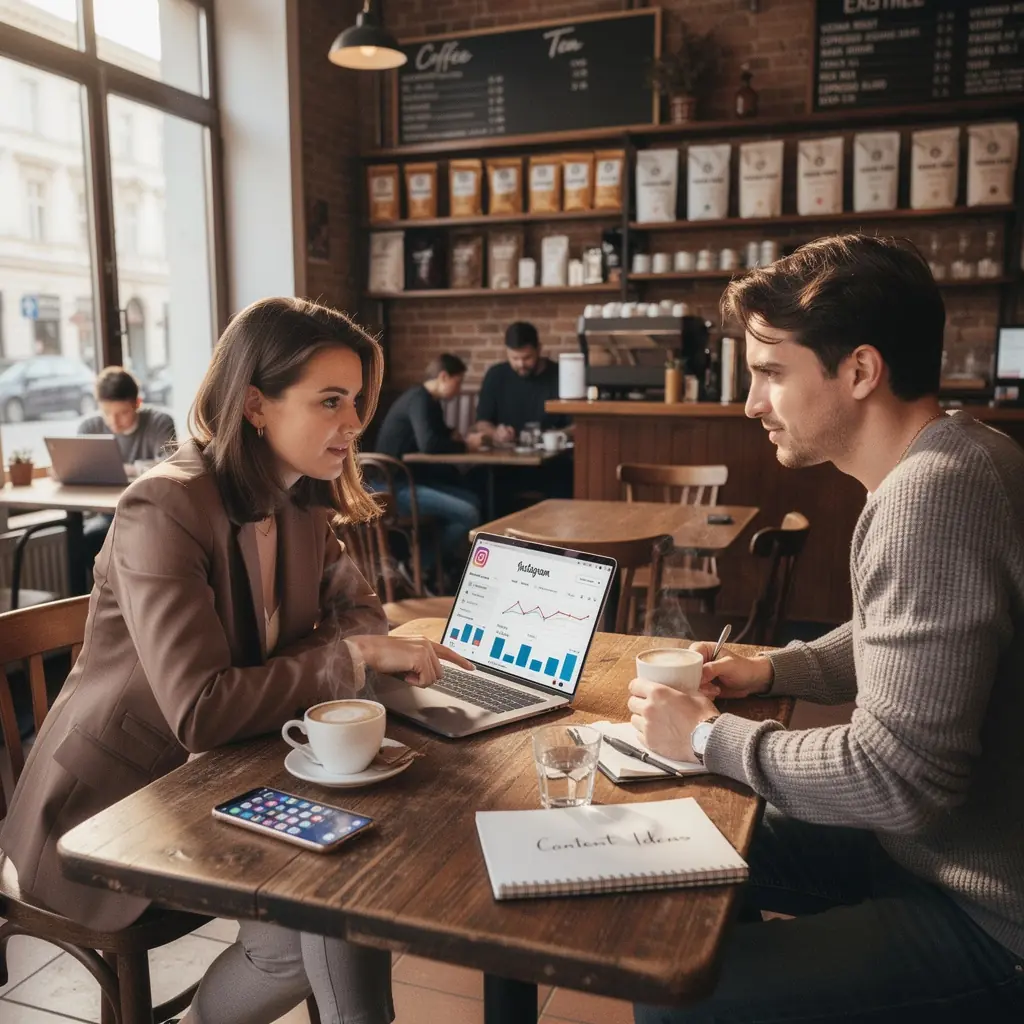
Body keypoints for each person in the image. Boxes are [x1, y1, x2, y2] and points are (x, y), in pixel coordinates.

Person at [0, 298, 474, 1024]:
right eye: (331, 401)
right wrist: (347, 658)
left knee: (350, 871)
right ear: (255, 404)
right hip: (115, 809)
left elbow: (360, 613)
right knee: (328, 899)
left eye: (357, 401)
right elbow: (203, 711)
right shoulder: (164, 508)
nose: (354, 422)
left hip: (228, 771)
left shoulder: (299, 500)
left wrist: (333, 654)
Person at [628, 235, 1024, 1022]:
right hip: (928, 852)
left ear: (861, 371)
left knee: (672, 993)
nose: (751, 403)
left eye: (772, 373)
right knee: (685, 847)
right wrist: (773, 669)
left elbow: (898, 779)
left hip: (986, 912)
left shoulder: (932, 496)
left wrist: (706, 737)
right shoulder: (962, 453)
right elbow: (910, 637)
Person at [374, 353, 482, 572]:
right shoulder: (419, 399)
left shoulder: (429, 401)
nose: (459, 389)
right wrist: (465, 446)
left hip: (408, 481)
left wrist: (453, 435)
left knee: (474, 500)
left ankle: (434, 566)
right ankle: (417, 566)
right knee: (469, 513)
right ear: (443, 377)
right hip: (391, 487)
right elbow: (430, 444)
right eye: (458, 382)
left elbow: (436, 435)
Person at [78, 366, 177, 565]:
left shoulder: (159, 422)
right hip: (107, 513)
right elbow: (80, 468)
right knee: (87, 539)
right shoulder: (90, 427)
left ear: (137, 403)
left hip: (150, 512)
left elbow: (170, 465)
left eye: (122, 413)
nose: (113, 421)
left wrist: (125, 469)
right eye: (106, 412)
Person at [472, 321, 570, 444]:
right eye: (515, 358)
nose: (521, 364)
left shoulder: (561, 375)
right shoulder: (495, 375)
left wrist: (555, 437)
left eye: (527, 358)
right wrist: (496, 433)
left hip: (553, 451)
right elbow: (482, 422)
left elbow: (577, 424)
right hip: (506, 451)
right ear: (507, 352)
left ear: (539, 349)